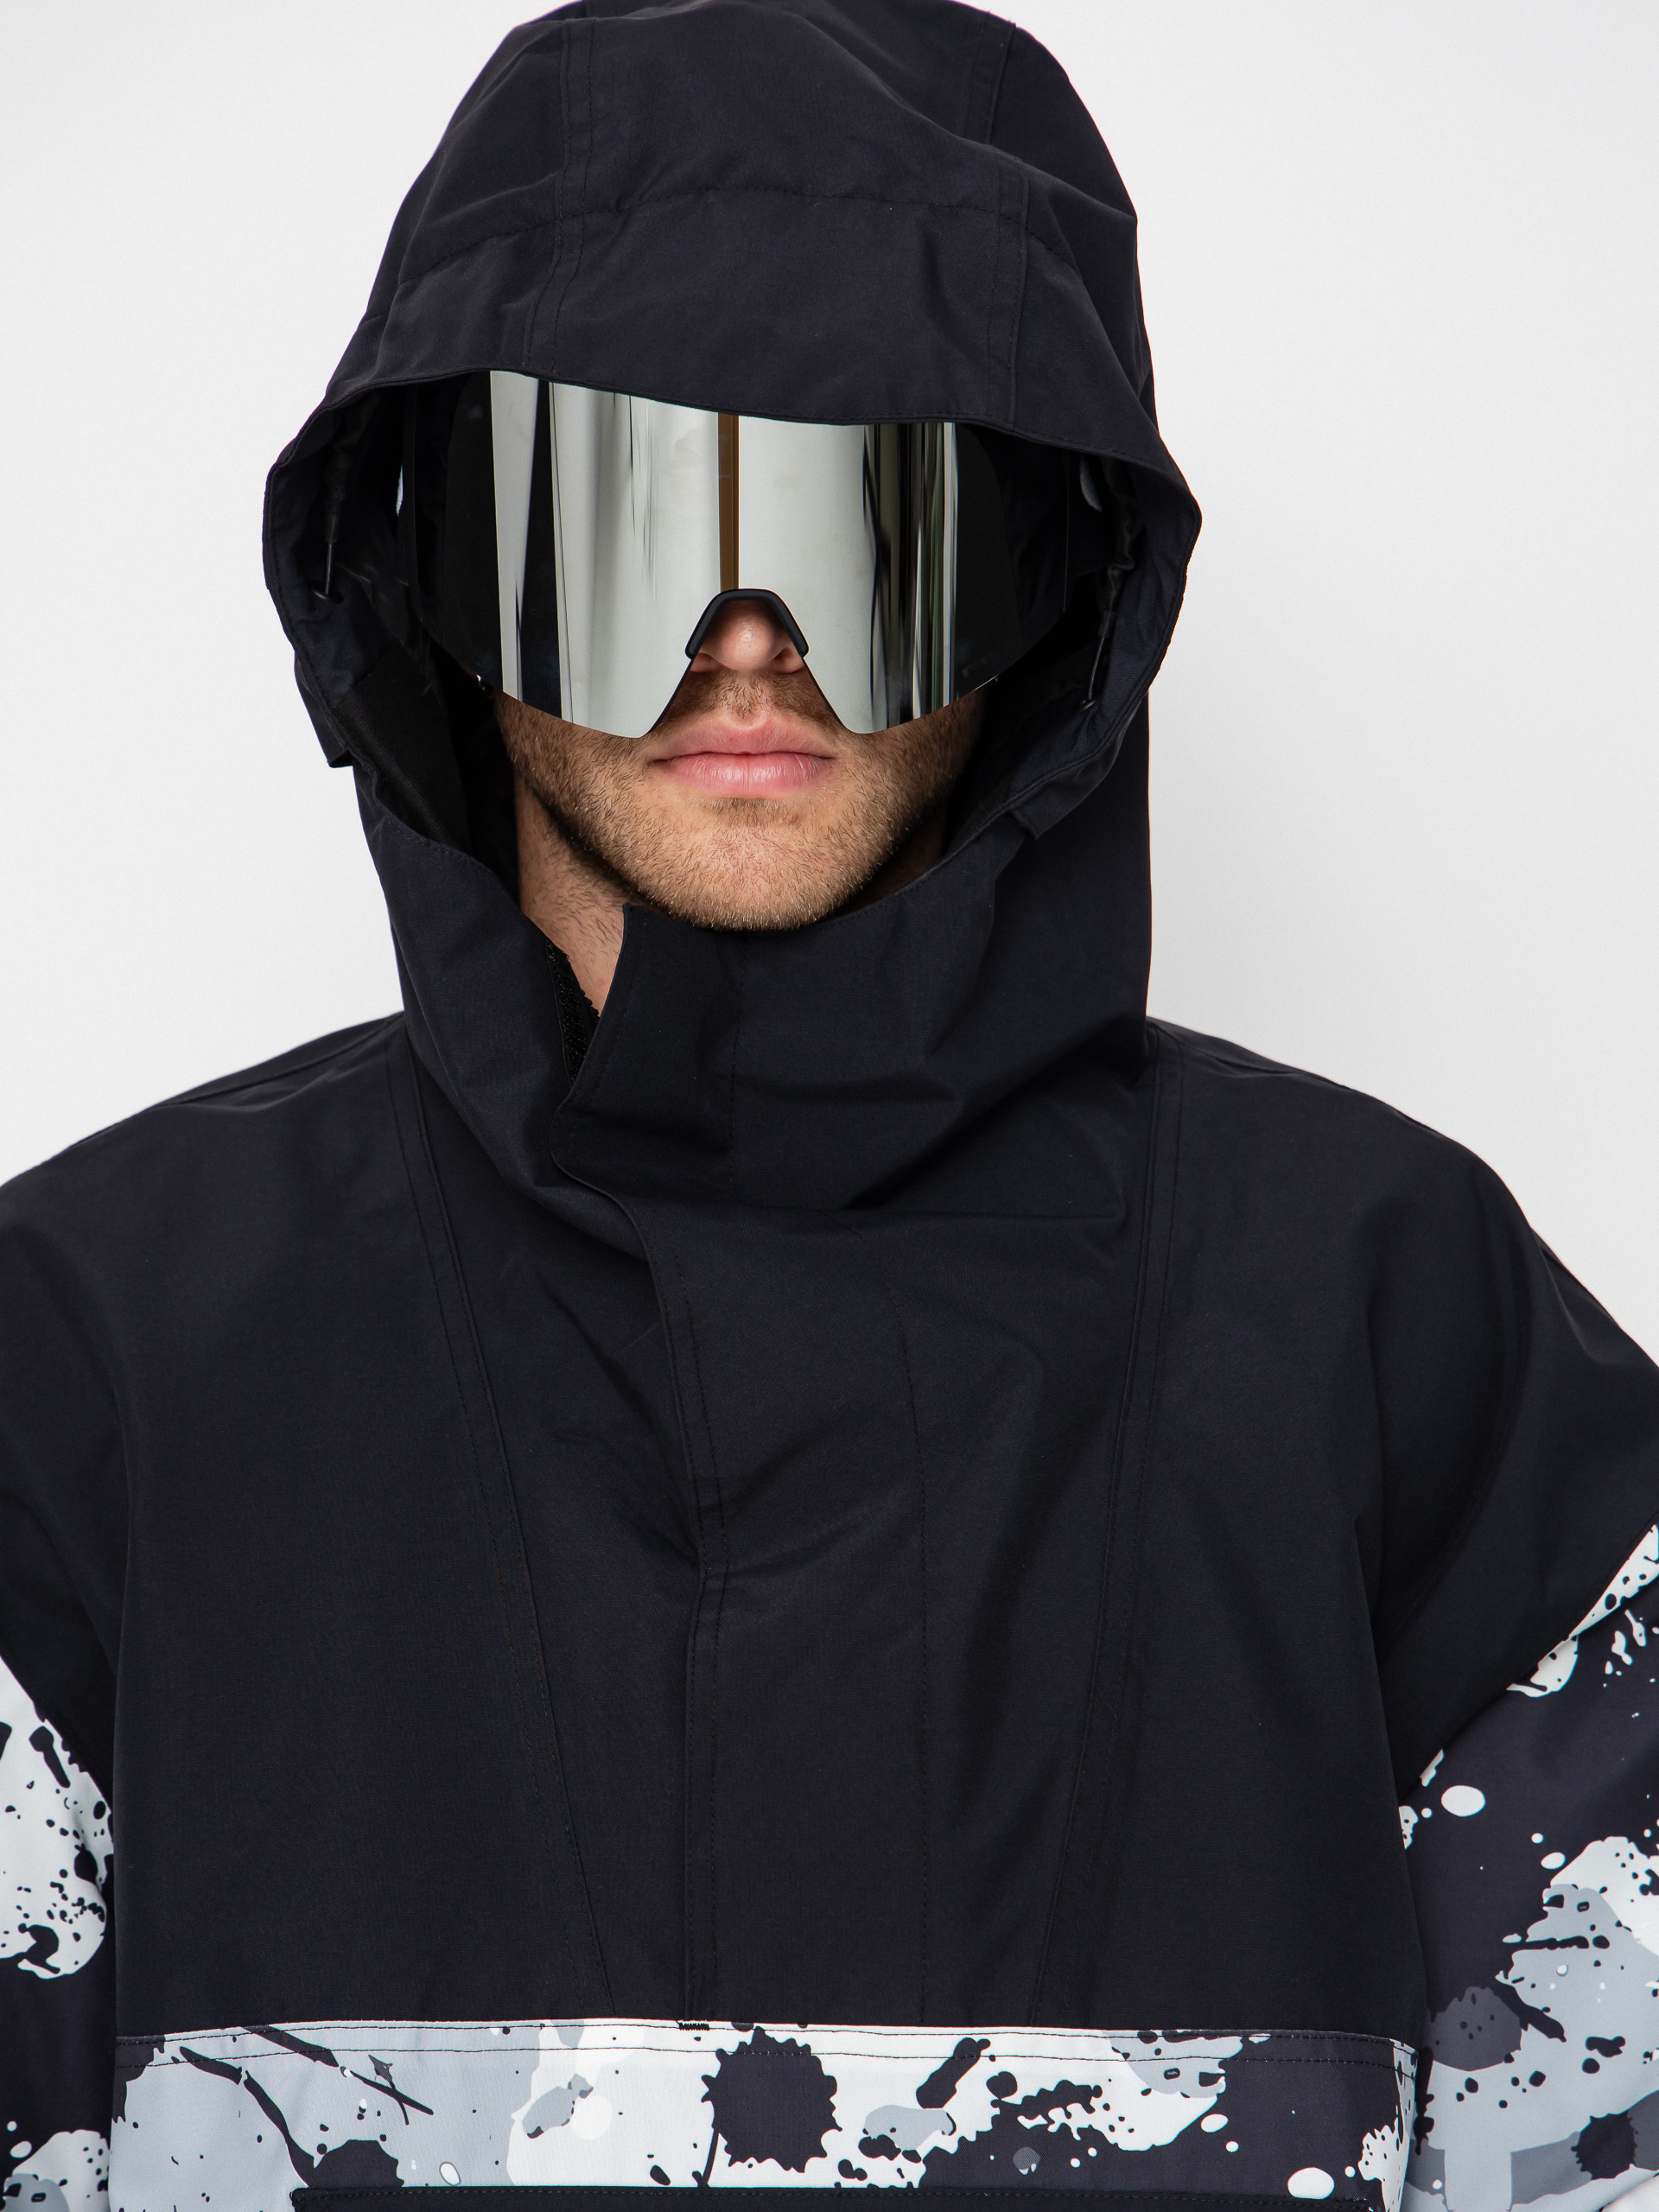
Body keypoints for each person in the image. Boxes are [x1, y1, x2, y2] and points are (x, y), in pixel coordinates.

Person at [2, 1, 1656, 2207]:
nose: (746, 634)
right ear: (424, 567)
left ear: (1058, 573)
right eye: (616, 514)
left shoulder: (1408, 1336)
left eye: (874, 515)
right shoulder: (85, 1365)